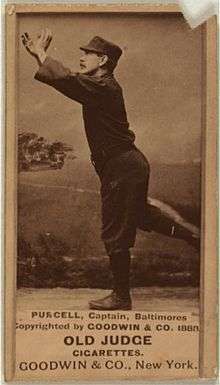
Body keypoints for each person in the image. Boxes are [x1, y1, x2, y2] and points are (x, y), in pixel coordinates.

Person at [21, 30, 200, 310]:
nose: (82, 58)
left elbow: (68, 81)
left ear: (102, 60)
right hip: (127, 165)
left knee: (114, 228)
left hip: (122, 166)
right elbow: (72, 82)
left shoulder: (104, 87)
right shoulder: (99, 85)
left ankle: (121, 296)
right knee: (140, 214)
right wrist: (40, 57)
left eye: (87, 54)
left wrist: (41, 55)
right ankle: (196, 237)